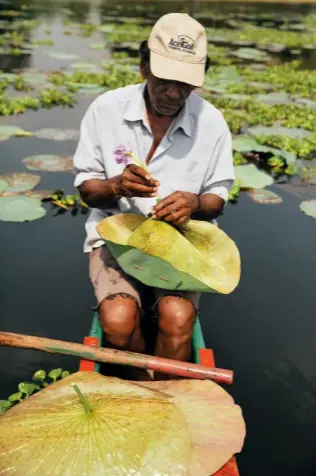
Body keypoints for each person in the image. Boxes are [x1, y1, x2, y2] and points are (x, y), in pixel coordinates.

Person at [73, 13, 234, 377]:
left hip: (182, 241)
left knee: (176, 317)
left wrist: (194, 204)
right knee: (117, 318)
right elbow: (88, 191)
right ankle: (135, 383)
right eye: (165, 80)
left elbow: (217, 199)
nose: (174, 93)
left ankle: (162, 389)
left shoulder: (212, 123)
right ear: (144, 66)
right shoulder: (106, 110)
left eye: (186, 83)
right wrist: (115, 187)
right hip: (118, 236)